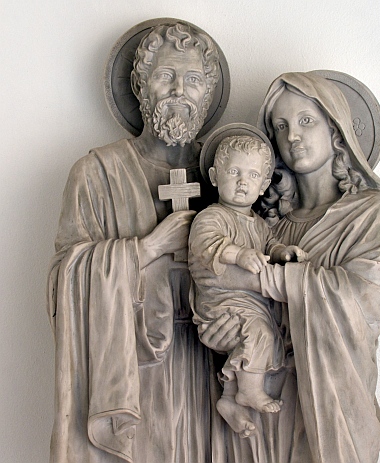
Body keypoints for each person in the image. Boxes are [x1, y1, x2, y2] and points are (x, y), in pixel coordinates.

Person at [192, 72, 380, 463]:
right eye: (281, 126)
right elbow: (210, 270)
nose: (293, 135)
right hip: (262, 398)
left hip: (330, 396)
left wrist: (263, 281)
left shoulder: (375, 213)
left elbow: (363, 298)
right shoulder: (269, 225)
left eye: (306, 121)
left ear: (335, 128)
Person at [47, 22, 239, 463]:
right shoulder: (96, 173)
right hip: (134, 373)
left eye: (193, 80)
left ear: (207, 94)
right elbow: (64, 283)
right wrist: (145, 249)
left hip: (211, 367)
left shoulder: (231, 175)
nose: (179, 91)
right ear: (139, 85)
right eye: (164, 76)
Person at [189, 133, 307, 415]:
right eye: (234, 172)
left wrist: (282, 253)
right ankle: (250, 392)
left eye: (253, 175)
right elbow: (206, 245)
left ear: (264, 184)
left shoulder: (259, 224)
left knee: (259, 336)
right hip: (220, 304)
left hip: (250, 304)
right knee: (257, 334)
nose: (243, 182)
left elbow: (269, 246)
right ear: (215, 176)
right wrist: (238, 254)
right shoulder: (212, 217)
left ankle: (230, 397)